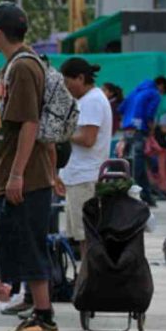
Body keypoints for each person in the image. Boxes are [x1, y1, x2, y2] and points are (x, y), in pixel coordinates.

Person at [0, 2, 59, 331]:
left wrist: (16, 174)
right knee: (19, 246)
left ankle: (45, 318)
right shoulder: (16, 65)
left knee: (30, 246)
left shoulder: (23, 67)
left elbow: (29, 123)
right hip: (18, 174)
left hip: (26, 178)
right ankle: (37, 314)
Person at [58, 57, 113, 260]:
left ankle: (91, 280)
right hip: (77, 176)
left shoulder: (92, 101)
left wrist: (62, 134)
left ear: (80, 78)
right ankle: (88, 279)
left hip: (85, 177)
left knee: (87, 236)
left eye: (68, 82)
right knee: (81, 237)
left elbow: (88, 139)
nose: (66, 88)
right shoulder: (87, 100)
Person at [119, 75, 166, 206]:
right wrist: (152, 129)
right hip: (139, 130)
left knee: (131, 162)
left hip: (127, 129)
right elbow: (149, 114)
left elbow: (121, 108)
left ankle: (146, 195)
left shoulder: (135, 91)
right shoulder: (154, 93)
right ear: (161, 86)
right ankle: (137, 194)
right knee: (138, 165)